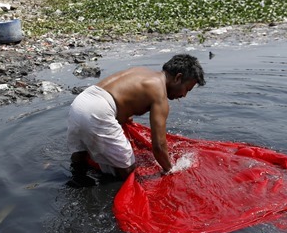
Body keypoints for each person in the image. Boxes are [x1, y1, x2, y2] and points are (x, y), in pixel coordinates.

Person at [67, 54, 205, 179]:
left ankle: (76, 183)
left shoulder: (142, 72)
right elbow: (159, 146)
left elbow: (120, 94)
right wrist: (171, 170)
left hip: (80, 102)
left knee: (81, 158)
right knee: (128, 170)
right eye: (187, 89)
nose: (184, 95)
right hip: (98, 110)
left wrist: (125, 116)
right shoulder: (159, 93)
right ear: (178, 78)